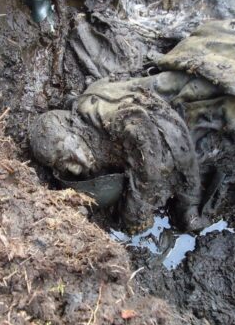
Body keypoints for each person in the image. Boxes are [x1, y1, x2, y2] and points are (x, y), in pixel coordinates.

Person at [29, 73, 206, 233]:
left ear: (69, 128)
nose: (74, 170)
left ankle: (190, 204)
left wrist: (136, 209)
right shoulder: (84, 128)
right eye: (64, 167)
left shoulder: (102, 114)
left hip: (184, 113)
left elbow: (148, 145)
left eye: (67, 159)